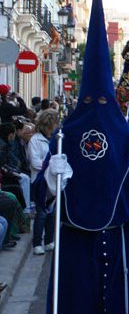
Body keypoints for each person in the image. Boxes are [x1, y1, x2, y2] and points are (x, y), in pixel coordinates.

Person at [41, 0, 129, 314]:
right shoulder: (64, 138)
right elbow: (40, 195)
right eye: (89, 101)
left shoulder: (126, 141)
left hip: (119, 241)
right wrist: (51, 180)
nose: (95, 109)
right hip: (74, 246)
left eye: (102, 101)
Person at [27, 109, 59, 255]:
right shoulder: (35, 140)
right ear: (47, 125)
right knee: (41, 213)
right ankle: (37, 243)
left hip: (52, 182)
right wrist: (51, 164)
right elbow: (35, 163)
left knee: (52, 213)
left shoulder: (55, 139)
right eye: (53, 124)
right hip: (40, 181)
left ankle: (48, 241)